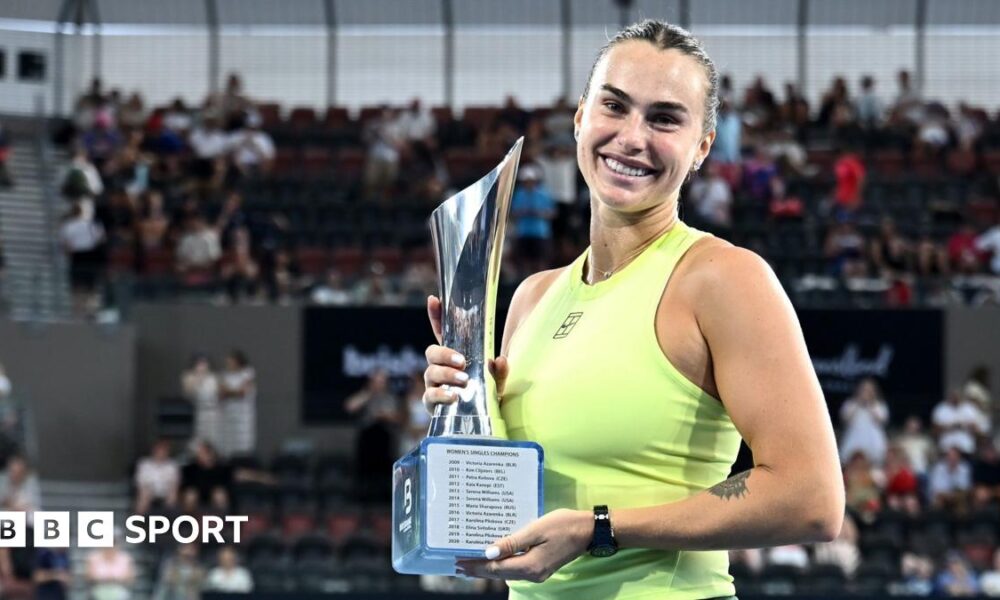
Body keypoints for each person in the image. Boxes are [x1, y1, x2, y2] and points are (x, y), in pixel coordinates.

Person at [421, 20, 844, 598]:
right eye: (614, 106)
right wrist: (461, 405)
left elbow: (812, 499)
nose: (631, 137)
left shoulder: (722, 279)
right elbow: (509, 515)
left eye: (664, 119)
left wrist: (600, 529)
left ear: (702, 147)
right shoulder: (532, 297)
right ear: (580, 118)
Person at [216, 350, 256, 457]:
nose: (229, 365)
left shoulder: (247, 373)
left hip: (243, 418)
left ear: (238, 362)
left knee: (243, 447)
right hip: (228, 416)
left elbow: (242, 392)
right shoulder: (224, 375)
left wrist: (229, 392)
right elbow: (221, 393)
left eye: (231, 362)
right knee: (227, 446)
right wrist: (233, 392)